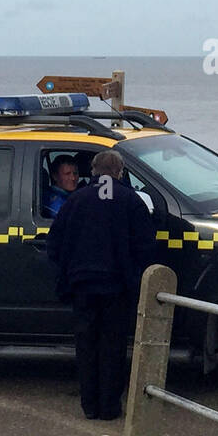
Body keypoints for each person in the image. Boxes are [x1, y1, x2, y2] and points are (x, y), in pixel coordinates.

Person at [46, 150, 156, 420]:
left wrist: (70, 271)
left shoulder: (76, 200)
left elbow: (54, 244)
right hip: (116, 289)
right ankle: (109, 407)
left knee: (86, 346)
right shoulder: (130, 201)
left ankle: (89, 405)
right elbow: (146, 247)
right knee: (113, 347)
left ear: (93, 172)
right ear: (120, 172)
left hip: (82, 286)